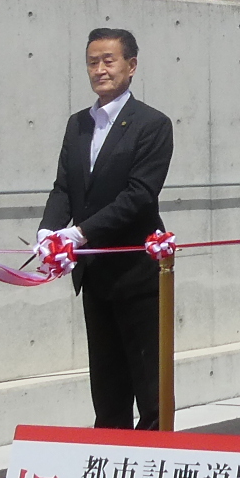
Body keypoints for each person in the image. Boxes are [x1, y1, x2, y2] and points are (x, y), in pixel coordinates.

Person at [38, 26, 174, 430]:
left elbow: (139, 195)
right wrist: (49, 230)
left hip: (137, 273)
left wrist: (80, 233)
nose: (100, 69)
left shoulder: (152, 124)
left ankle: (157, 463)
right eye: (92, 62)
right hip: (93, 275)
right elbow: (65, 185)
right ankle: (111, 462)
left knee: (151, 386)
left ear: (131, 66)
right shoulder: (78, 124)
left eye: (108, 60)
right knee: (107, 385)